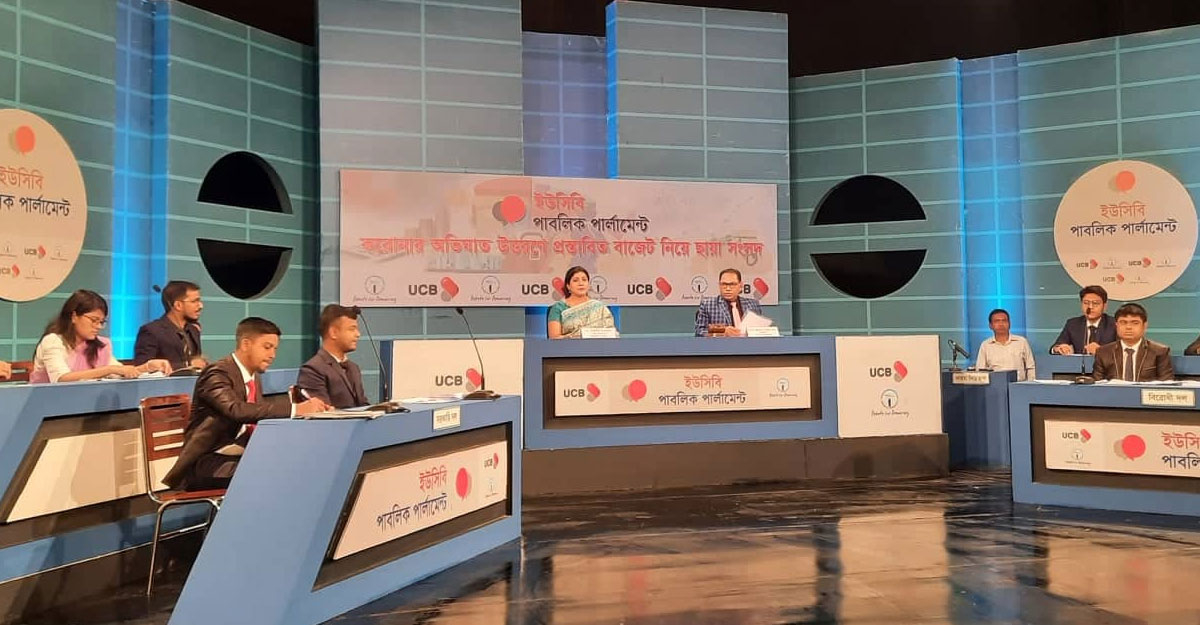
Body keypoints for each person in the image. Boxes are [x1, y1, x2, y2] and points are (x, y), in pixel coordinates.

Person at [163, 317, 330, 490]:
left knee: (298, 463)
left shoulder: (253, 376)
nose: (272, 355)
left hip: (242, 454)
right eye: (267, 347)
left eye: (275, 349)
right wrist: (296, 409)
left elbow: (257, 416)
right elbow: (236, 410)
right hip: (207, 462)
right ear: (245, 344)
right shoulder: (216, 373)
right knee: (272, 474)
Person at [30, 289, 172, 384]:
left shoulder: (100, 345)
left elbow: (120, 372)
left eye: (101, 322)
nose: (98, 326)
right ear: (74, 316)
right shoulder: (53, 341)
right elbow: (61, 379)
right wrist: (109, 370)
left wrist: (147, 367)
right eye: (94, 320)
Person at [296, 304, 369, 408]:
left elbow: (363, 405)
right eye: (352, 329)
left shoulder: (354, 368)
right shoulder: (312, 370)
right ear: (333, 332)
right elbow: (322, 412)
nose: (358, 334)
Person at [134, 280, 206, 370]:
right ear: (178, 305)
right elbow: (142, 368)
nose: (200, 306)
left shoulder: (193, 330)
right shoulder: (151, 331)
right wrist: (187, 365)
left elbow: (197, 365)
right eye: (194, 301)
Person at [1092, 303, 1173, 382]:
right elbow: (1097, 385)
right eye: (1123, 322)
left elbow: (1166, 385)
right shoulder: (1103, 352)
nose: (1128, 327)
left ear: (1144, 326)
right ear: (1116, 325)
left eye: (1135, 323)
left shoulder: (1160, 352)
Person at [547, 266, 616, 339]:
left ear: (588, 285)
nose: (581, 283)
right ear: (568, 286)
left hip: (598, 345)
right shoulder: (558, 308)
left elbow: (610, 334)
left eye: (584, 280)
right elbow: (554, 338)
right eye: (575, 280)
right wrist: (576, 336)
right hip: (568, 345)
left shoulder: (599, 307)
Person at [694, 268, 765, 337]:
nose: (728, 288)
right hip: (721, 344)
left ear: (740, 285)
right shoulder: (708, 305)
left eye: (732, 284)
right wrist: (722, 333)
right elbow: (699, 332)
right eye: (724, 284)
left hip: (749, 344)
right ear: (719, 285)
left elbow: (759, 331)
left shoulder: (753, 304)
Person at [1050, 285, 1116, 355]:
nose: (1090, 307)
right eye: (1086, 303)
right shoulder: (1073, 324)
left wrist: (1101, 351)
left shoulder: (1114, 324)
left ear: (1104, 306)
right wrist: (1059, 349)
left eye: (1095, 303)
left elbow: (1121, 352)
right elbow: (1055, 347)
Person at [974, 308, 1036, 381]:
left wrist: (1030, 384)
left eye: (1004, 321)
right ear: (990, 325)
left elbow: (1030, 367)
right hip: (995, 385)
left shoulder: (1021, 342)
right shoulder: (985, 345)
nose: (1001, 324)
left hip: (1018, 384)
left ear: (1009, 324)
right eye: (997, 321)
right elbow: (980, 370)